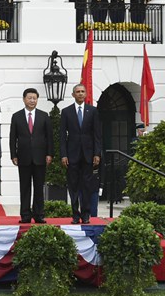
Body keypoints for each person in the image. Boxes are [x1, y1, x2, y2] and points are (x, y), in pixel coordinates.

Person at [9, 88, 53, 224]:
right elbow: (13, 137)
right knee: (25, 187)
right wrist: (13, 155)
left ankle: (39, 215)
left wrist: (49, 153)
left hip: (40, 157)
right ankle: (25, 215)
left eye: (34, 98)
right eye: (30, 98)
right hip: (23, 157)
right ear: (24, 99)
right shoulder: (16, 116)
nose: (32, 100)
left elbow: (49, 137)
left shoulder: (44, 116)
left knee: (39, 188)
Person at [60, 84, 102, 224]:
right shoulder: (66, 112)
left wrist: (97, 153)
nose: (80, 94)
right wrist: (63, 155)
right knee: (73, 186)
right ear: (73, 95)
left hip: (88, 155)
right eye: (77, 92)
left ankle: (86, 214)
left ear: (86, 94)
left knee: (87, 186)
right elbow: (62, 136)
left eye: (82, 91)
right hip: (72, 155)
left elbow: (97, 135)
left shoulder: (93, 111)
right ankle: (75, 215)